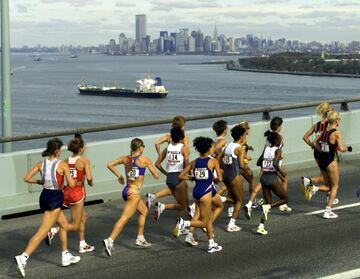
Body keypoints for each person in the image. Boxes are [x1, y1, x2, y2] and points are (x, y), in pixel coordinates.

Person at [14, 138, 79, 278]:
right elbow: (72, 185)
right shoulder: (62, 165)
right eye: (60, 149)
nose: (61, 151)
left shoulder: (40, 164)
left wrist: (39, 181)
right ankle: (23, 257)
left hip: (44, 196)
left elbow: (26, 178)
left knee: (63, 224)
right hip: (55, 198)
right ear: (56, 151)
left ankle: (65, 254)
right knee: (43, 231)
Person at [103, 138, 159, 257]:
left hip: (126, 189)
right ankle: (110, 240)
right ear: (139, 147)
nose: (144, 148)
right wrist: (150, 168)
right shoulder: (144, 160)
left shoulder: (125, 159)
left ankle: (140, 237)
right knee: (124, 218)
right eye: (143, 146)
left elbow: (109, 164)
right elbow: (156, 175)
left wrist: (119, 176)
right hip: (134, 192)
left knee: (143, 211)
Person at [45, 134, 95, 253]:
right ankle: (53, 231)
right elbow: (88, 178)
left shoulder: (65, 161)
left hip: (67, 191)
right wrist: (91, 183)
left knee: (83, 216)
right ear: (81, 149)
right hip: (77, 192)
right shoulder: (84, 161)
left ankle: (82, 243)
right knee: (75, 224)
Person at [176, 137, 223, 253]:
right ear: (208, 149)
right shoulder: (213, 161)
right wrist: (215, 178)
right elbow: (219, 179)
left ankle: (211, 243)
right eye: (212, 147)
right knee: (204, 221)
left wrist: (192, 177)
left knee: (219, 205)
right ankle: (184, 223)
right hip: (205, 193)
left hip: (197, 192)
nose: (213, 148)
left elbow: (181, 176)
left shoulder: (194, 162)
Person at [305, 111, 351, 218]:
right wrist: (348, 149)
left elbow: (315, 142)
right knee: (335, 186)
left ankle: (314, 188)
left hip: (322, 160)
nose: (339, 120)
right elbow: (341, 148)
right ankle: (327, 211)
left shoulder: (324, 131)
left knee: (328, 185)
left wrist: (320, 151)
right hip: (330, 161)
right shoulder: (336, 133)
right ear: (336, 120)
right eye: (339, 119)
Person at [146, 116, 189, 211]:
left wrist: (160, 154)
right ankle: (163, 207)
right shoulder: (184, 140)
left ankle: (153, 197)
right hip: (179, 172)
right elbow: (186, 157)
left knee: (182, 192)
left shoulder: (168, 139)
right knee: (182, 204)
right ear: (183, 126)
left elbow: (157, 143)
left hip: (170, 172)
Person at [302, 102, 338, 205]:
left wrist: (312, 145)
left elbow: (305, 137)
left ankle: (329, 196)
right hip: (326, 153)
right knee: (330, 177)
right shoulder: (330, 125)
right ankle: (310, 182)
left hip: (317, 152)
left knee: (325, 175)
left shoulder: (317, 125)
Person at [154, 127, 189, 227]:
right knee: (182, 205)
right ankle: (162, 206)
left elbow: (157, 164)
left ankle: (179, 225)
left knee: (182, 203)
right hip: (179, 178)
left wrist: (166, 173)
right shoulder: (183, 148)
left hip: (169, 178)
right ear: (181, 137)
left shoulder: (167, 148)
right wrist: (189, 175)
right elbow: (187, 165)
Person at [256, 131, 288, 235]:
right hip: (271, 178)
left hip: (263, 178)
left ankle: (261, 226)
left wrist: (267, 163)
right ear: (276, 141)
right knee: (284, 199)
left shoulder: (266, 149)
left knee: (268, 204)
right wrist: (281, 171)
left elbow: (258, 162)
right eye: (280, 139)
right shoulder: (277, 150)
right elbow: (275, 163)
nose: (281, 140)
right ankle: (268, 207)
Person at [219, 125, 247, 232]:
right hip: (235, 176)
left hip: (226, 174)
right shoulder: (239, 149)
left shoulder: (228, 145)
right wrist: (247, 172)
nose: (245, 136)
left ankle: (222, 198)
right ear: (241, 136)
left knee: (233, 198)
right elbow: (241, 165)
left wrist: (223, 168)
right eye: (244, 134)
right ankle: (231, 224)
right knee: (239, 200)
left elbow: (219, 158)